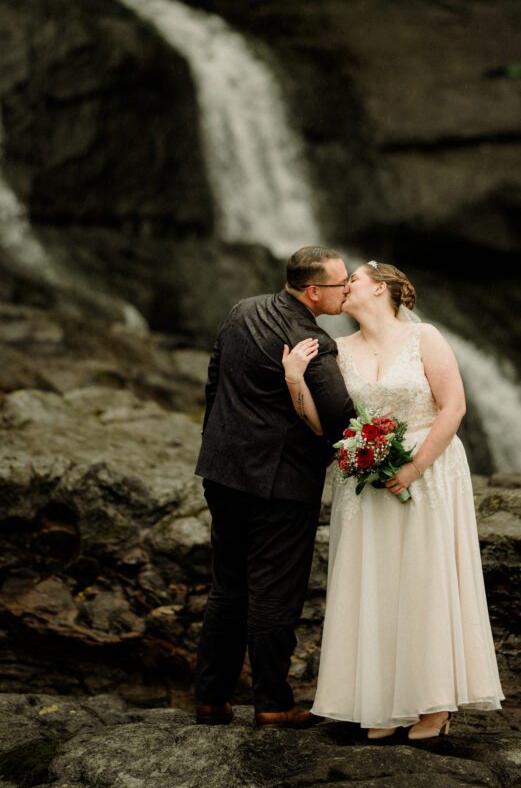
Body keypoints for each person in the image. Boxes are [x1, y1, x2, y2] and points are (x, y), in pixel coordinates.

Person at [282, 260, 504, 740]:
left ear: (380, 288)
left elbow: (454, 406)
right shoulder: (337, 350)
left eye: (354, 280)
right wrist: (296, 378)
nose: (344, 287)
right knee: (373, 582)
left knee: (424, 580)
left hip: (430, 469)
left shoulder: (427, 338)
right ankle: (382, 703)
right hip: (364, 480)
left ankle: (432, 706)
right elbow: (326, 426)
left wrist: (415, 465)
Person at [194, 246, 355, 729]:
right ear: (312, 291)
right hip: (281, 487)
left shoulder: (241, 310)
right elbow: (340, 422)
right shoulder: (313, 343)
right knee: (274, 596)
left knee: (226, 589)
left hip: (223, 473)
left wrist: (216, 445)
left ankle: (210, 699)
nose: (347, 290)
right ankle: (272, 704)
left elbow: (213, 382)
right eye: (340, 284)